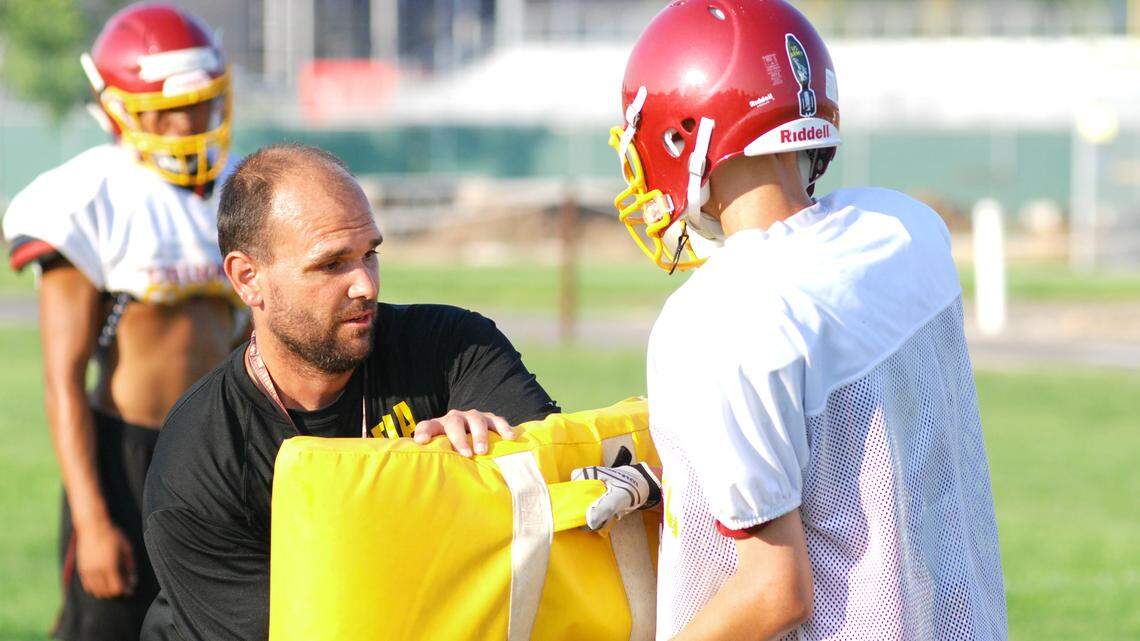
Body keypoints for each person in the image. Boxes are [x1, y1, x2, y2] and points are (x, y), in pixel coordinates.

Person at [580, 1, 1007, 639]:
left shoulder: (716, 318)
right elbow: (852, 463)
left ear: (683, 135)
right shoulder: (906, 229)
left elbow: (775, 592)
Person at [139, 143, 560, 641]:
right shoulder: (201, 456)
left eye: (370, 254)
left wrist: (473, 455)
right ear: (248, 279)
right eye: (332, 263)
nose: (365, 284)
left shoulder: (455, 349)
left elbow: (567, 507)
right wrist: (450, 485)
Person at [1, 4, 238, 640]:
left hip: (221, 451)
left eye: (202, 103)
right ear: (119, 108)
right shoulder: (88, 199)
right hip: (129, 458)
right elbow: (62, 379)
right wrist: (92, 517)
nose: (190, 121)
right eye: (170, 107)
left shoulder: (241, 186)